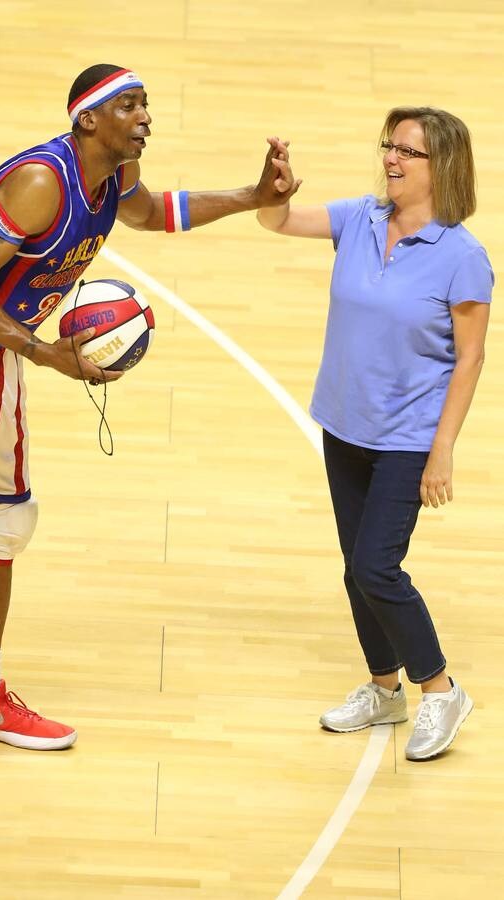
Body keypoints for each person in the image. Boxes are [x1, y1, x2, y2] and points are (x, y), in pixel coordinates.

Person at [0, 64, 300, 796]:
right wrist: (45, 353)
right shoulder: (39, 185)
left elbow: (153, 213)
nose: (145, 115)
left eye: (146, 103)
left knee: (12, 523)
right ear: (88, 120)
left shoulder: (114, 177)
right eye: (128, 105)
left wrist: (252, 198)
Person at [258, 107, 493, 760]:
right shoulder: (359, 220)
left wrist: (442, 448)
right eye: (389, 145)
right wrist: (271, 189)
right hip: (345, 422)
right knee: (354, 571)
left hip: (408, 434)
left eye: (407, 151)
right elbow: (277, 221)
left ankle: (440, 689)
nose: (390, 158)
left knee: (375, 566)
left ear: (442, 165)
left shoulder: (462, 258)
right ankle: (384, 688)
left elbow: (470, 358)